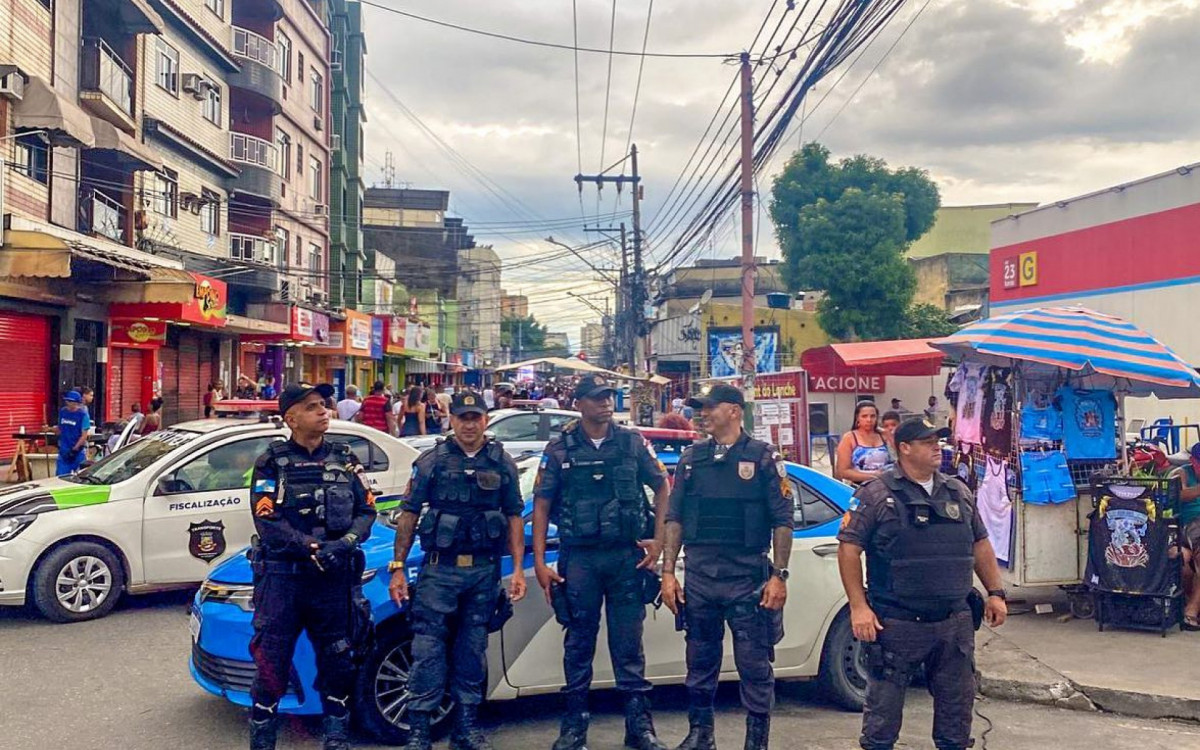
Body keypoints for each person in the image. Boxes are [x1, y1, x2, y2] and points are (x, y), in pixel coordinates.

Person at [836, 417, 1008, 750]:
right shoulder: (876, 494)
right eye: (929, 443)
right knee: (882, 722)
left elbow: (981, 543)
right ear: (904, 448)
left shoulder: (956, 490)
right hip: (898, 624)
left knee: (956, 719)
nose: (937, 449)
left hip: (953, 623)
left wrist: (996, 593)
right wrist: (859, 607)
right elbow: (848, 549)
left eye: (939, 442)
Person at [532, 374, 671, 750]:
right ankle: (573, 727)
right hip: (580, 559)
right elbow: (541, 505)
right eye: (596, 398)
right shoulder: (560, 448)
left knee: (629, 644)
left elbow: (662, 485)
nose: (605, 403)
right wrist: (542, 562)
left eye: (609, 396)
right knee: (578, 643)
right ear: (579, 403)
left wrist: (659, 541)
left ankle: (639, 728)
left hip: (626, 557)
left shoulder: (631, 442)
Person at [387, 390, 528, 750]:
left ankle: (465, 729)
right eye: (463, 417)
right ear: (452, 420)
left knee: (472, 649)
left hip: (483, 572)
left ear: (485, 420)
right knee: (427, 650)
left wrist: (515, 570)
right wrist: (398, 567)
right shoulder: (432, 461)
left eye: (476, 417)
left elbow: (514, 516)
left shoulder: (502, 463)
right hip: (439, 572)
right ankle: (420, 732)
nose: (469, 424)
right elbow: (409, 514)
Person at [660, 383, 793, 750]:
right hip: (701, 578)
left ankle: (757, 741)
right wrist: (669, 572)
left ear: (734, 411)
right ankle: (701, 734)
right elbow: (674, 518)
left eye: (709, 407)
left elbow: (783, 520)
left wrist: (779, 576)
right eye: (699, 408)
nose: (702, 414)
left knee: (755, 666)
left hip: (748, 578)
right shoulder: (691, 458)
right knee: (699, 662)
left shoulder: (765, 458)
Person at [246, 382, 377, 750]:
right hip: (283, 582)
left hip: (333, 581)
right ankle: (262, 739)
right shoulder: (271, 462)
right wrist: (308, 546)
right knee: (271, 664)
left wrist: (344, 543)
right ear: (291, 418)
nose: (324, 412)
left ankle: (336, 737)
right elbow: (265, 518)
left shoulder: (345, 457)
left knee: (339, 663)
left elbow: (367, 510)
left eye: (324, 405)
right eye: (312, 407)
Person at [1170, 443, 1200, 630]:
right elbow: (1178, 494)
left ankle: (1191, 606)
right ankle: (1191, 609)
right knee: (1184, 562)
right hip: (1189, 523)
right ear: (1193, 461)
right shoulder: (1181, 473)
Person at [836, 401, 891, 485]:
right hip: (858, 487)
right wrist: (874, 475)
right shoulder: (849, 438)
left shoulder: (883, 436)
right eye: (864, 416)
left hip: (885, 486)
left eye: (872, 416)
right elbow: (843, 471)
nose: (869, 420)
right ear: (857, 418)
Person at [55, 390, 89, 476]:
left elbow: (84, 435)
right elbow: (59, 429)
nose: (69, 404)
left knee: (81, 476)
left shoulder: (83, 415)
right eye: (68, 401)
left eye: (72, 402)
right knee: (60, 476)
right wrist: (48, 429)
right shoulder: (63, 412)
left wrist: (75, 448)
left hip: (78, 451)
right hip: (64, 450)